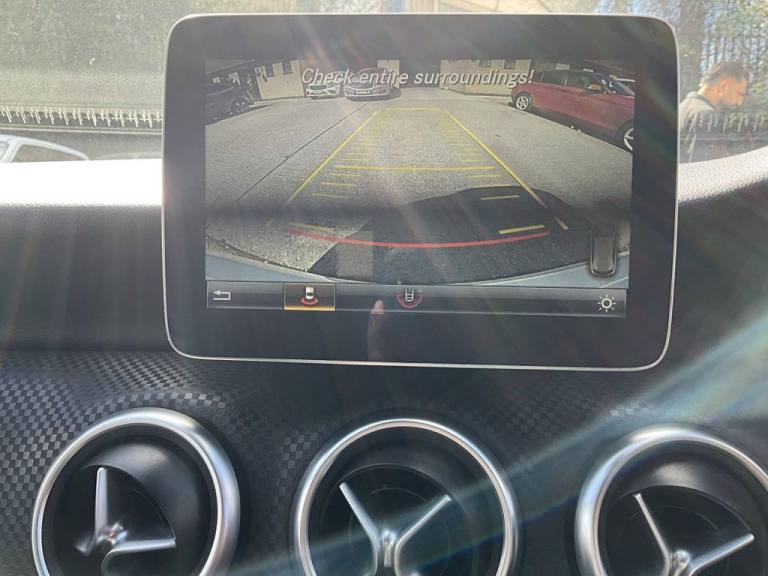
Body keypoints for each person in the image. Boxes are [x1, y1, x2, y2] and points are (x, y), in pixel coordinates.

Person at [679, 61, 750, 163]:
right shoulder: (706, 115)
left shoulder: (683, 107)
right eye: (739, 93)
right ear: (723, 86)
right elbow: (709, 168)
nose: (740, 102)